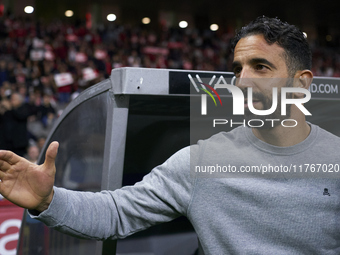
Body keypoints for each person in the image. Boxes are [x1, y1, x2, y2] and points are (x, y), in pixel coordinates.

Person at [0, 16, 339, 254]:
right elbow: (116, 213)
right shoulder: (203, 161)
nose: (242, 81)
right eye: (238, 69)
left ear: (301, 83)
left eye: (261, 67)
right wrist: (49, 201)